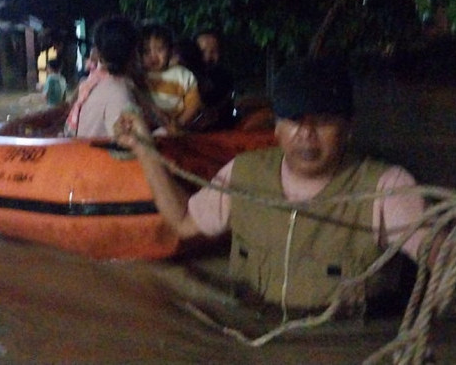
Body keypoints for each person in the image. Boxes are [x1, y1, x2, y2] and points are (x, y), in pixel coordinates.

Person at [115, 56, 427, 314]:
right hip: (255, 336)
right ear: (276, 127)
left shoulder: (386, 187)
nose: (306, 134)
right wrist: (144, 148)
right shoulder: (243, 175)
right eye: (293, 119)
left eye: (322, 121)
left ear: (348, 129)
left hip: (341, 345)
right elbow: (182, 221)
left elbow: (436, 249)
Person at [63, 15, 139, 138]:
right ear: (134, 53)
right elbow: (128, 146)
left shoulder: (94, 83)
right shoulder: (119, 94)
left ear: (99, 54)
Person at [140, 23, 201, 133]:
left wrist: (180, 123)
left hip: (173, 128)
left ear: (170, 50)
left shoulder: (183, 75)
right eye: (146, 51)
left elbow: (193, 104)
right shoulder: (138, 75)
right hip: (143, 128)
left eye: (160, 49)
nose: (153, 55)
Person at [192, 29, 235, 130]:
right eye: (202, 52)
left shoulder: (224, 76)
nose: (208, 57)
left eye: (214, 51)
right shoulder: (184, 76)